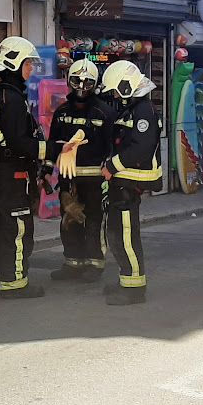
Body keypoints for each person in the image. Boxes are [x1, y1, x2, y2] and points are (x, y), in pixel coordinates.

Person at [0, 36, 50, 299]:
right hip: (13, 175)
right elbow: (20, 142)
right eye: (27, 63)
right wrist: (50, 150)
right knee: (18, 228)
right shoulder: (12, 98)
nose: (31, 69)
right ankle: (14, 283)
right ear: (14, 64)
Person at [99, 61, 162, 305]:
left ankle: (134, 288)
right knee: (117, 235)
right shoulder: (133, 109)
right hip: (122, 183)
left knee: (125, 237)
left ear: (127, 86)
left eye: (116, 90)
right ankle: (127, 279)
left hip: (129, 184)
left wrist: (112, 166)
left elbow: (142, 148)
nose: (114, 95)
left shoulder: (143, 110)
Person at [47, 59, 115, 282]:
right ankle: (73, 263)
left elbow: (112, 147)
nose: (82, 86)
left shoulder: (104, 112)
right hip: (69, 178)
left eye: (87, 82)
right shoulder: (62, 111)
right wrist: (46, 170)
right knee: (69, 220)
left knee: (94, 221)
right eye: (77, 80)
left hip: (95, 179)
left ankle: (95, 263)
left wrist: (110, 174)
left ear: (95, 84)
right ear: (69, 80)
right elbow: (52, 144)